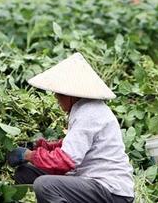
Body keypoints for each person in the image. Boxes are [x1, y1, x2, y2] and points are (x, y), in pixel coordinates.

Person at [8, 52, 134, 203]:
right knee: (25, 173)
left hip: (111, 190)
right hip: (90, 181)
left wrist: (29, 155)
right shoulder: (85, 108)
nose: (56, 97)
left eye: (59, 94)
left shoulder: (89, 113)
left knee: (45, 185)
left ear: (71, 94)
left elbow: (64, 162)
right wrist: (40, 147)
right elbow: (73, 145)